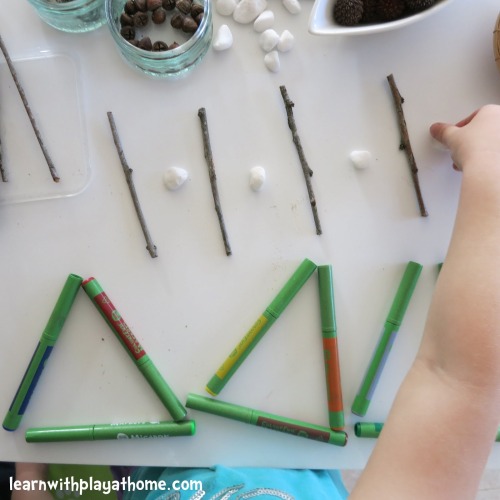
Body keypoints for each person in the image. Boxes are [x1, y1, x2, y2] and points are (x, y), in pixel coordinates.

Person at [12, 105, 500, 499]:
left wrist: (27, 470)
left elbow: (456, 382)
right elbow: (458, 381)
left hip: (149, 466)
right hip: (297, 451)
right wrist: (490, 176)